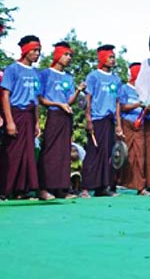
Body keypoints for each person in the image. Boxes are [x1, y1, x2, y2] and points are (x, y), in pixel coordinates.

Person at [37, 41, 85, 200]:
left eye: (70, 55)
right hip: (54, 115)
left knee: (64, 152)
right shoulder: (45, 74)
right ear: (57, 55)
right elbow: (41, 99)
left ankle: (61, 189)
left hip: (66, 116)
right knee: (50, 152)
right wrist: (58, 104)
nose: (69, 58)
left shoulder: (69, 77)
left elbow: (69, 101)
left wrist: (78, 91)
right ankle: (44, 188)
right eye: (66, 54)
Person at [0, 35, 42, 200]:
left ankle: (21, 190)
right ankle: (5, 189)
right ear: (25, 51)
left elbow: (36, 99)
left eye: (39, 50)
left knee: (28, 154)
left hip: (29, 116)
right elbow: (5, 95)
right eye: (34, 50)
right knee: (12, 153)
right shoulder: (13, 69)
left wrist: (37, 122)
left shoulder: (36, 73)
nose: (37, 54)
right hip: (16, 113)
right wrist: (9, 121)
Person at [82, 44, 123, 198]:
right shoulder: (93, 76)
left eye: (114, 57)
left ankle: (103, 187)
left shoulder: (116, 79)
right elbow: (88, 98)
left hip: (110, 120)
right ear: (102, 58)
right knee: (93, 153)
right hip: (97, 119)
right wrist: (88, 119)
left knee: (108, 155)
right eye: (110, 57)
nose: (113, 60)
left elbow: (117, 103)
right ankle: (86, 187)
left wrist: (118, 125)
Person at [117, 63, 150, 195]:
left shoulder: (144, 91)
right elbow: (122, 107)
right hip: (127, 123)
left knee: (140, 155)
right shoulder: (124, 88)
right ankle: (121, 181)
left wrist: (146, 108)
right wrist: (137, 104)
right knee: (126, 154)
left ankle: (140, 187)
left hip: (140, 124)